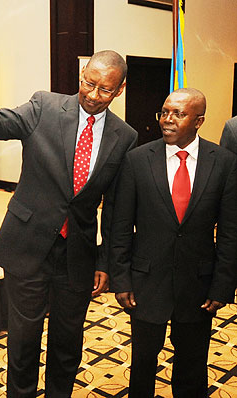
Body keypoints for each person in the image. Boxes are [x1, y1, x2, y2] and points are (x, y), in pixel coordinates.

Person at [0, 50, 137, 397]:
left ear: (120, 90)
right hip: (28, 246)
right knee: (23, 345)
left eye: (105, 90)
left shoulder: (124, 136)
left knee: (68, 345)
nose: (94, 95)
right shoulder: (45, 106)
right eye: (89, 83)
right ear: (82, 75)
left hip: (78, 256)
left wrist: (104, 262)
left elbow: (115, 210)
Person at [110, 88, 237, 397]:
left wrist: (222, 287)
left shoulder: (223, 163)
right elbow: (121, 228)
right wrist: (122, 280)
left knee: (192, 366)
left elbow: (231, 233)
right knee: (142, 365)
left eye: (178, 114)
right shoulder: (137, 160)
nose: (167, 120)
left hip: (198, 287)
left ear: (199, 121)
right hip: (145, 284)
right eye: (164, 112)